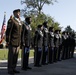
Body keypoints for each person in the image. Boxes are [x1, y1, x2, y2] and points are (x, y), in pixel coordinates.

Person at [6, 9, 22, 75]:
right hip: (12, 41)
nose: (19, 14)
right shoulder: (11, 20)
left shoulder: (19, 21)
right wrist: (7, 41)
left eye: (19, 13)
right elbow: (8, 32)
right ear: (14, 13)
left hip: (18, 42)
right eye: (18, 13)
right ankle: (10, 69)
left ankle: (14, 68)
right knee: (11, 56)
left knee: (15, 56)